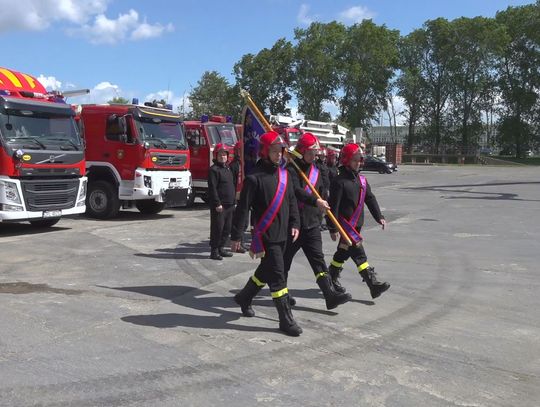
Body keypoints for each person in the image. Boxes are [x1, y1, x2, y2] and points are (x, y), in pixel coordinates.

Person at [230, 131, 302, 336]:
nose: (279, 155)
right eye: (274, 151)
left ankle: (245, 297)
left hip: (284, 233)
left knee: (266, 270)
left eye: (280, 151)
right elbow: (243, 209)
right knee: (278, 276)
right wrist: (236, 236)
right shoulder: (254, 179)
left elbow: (291, 201)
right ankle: (285, 320)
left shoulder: (285, 175)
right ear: (264, 151)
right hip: (266, 235)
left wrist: (295, 222)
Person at [283, 133, 351, 310]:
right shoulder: (291, 169)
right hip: (294, 224)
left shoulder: (317, 170)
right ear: (302, 151)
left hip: (313, 223)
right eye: (311, 153)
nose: (315, 157)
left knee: (318, 261)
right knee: (283, 262)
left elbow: (322, 196)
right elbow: (296, 191)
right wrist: (315, 201)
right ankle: (280, 294)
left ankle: (330, 295)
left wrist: (329, 223)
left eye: (316, 153)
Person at [326, 143, 391, 299]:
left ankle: (330, 279)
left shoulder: (361, 180)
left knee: (342, 253)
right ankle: (373, 284)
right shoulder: (339, 181)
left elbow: (370, 198)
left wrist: (379, 217)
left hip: (357, 225)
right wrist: (332, 228)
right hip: (345, 227)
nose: (359, 163)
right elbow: (332, 207)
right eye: (355, 160)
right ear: (347, 160)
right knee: (359, 254)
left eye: (360, 160)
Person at [208, 144, 236, 260]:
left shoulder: (228, 168)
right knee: (217, 229)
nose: (223, 157)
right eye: (220, 154)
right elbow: (212, 188)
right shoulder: (213, 170)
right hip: (220, 206)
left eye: (225, 154)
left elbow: (232, 186)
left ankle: (221, 248)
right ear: (216, 155)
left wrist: (234, 201)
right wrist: (217, 203)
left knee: (227, 228)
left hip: (230, 205)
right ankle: (214, 251)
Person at [228, 141, 247, 253]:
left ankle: (241, 242)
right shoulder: (234, 165)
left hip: (245, 197)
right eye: (239, 150)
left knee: (244, 223)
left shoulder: (246, 165)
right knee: (238, 222)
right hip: (237, 197)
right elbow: (232, 183)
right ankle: (238, 244)